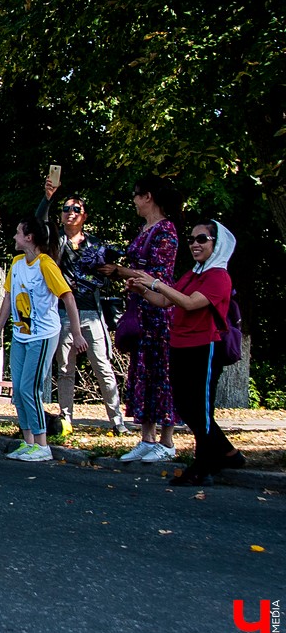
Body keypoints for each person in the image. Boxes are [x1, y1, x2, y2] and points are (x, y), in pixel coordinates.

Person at [127, 220, 245, 485]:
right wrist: (142, 290)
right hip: (180, 345)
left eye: (202, 239)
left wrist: (156, 282)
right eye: (191, 239)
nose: (194, 244)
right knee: (184, 407)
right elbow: (166, 301)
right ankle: (228, 453)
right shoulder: (192, 274)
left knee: (199, 410)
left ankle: (203, 465)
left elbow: (191, 303)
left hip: (205, 346)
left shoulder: (218, 276)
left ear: (217, 244)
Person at [0, 217, 87, 461]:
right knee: (18, 391)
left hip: (42, 334)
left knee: (29, 388)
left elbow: (68, 298)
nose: (14, 237)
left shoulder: (46, 264)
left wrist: (76, 333)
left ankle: (42, 445)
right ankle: (28, 441)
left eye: (18, 232)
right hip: (21, 334)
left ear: (29, 238)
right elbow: (9, 298)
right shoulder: (17, 262)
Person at [102, 176, 181, 463]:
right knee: (143, 372)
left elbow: (158, 276)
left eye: (137, 195)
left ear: (148, 197)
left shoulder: (166, 231)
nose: (134, 201)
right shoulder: (144, 229)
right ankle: (146, 438)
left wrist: (120, 271)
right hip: (140, 309)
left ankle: (167, 440)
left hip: (159, 312)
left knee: (162, 373)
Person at [39, 186, 127, 435]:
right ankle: (66, 421)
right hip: (63, 313)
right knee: (65, 369)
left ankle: (117, 420)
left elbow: (107, 278)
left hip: (91, 313)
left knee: (103, 367)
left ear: (85, 216)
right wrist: (47, 198)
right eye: (66, 209)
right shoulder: (55, 241)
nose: (70, 213)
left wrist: (107, 272)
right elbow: (38, 222)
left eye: (76, 209)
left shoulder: (97, 244)